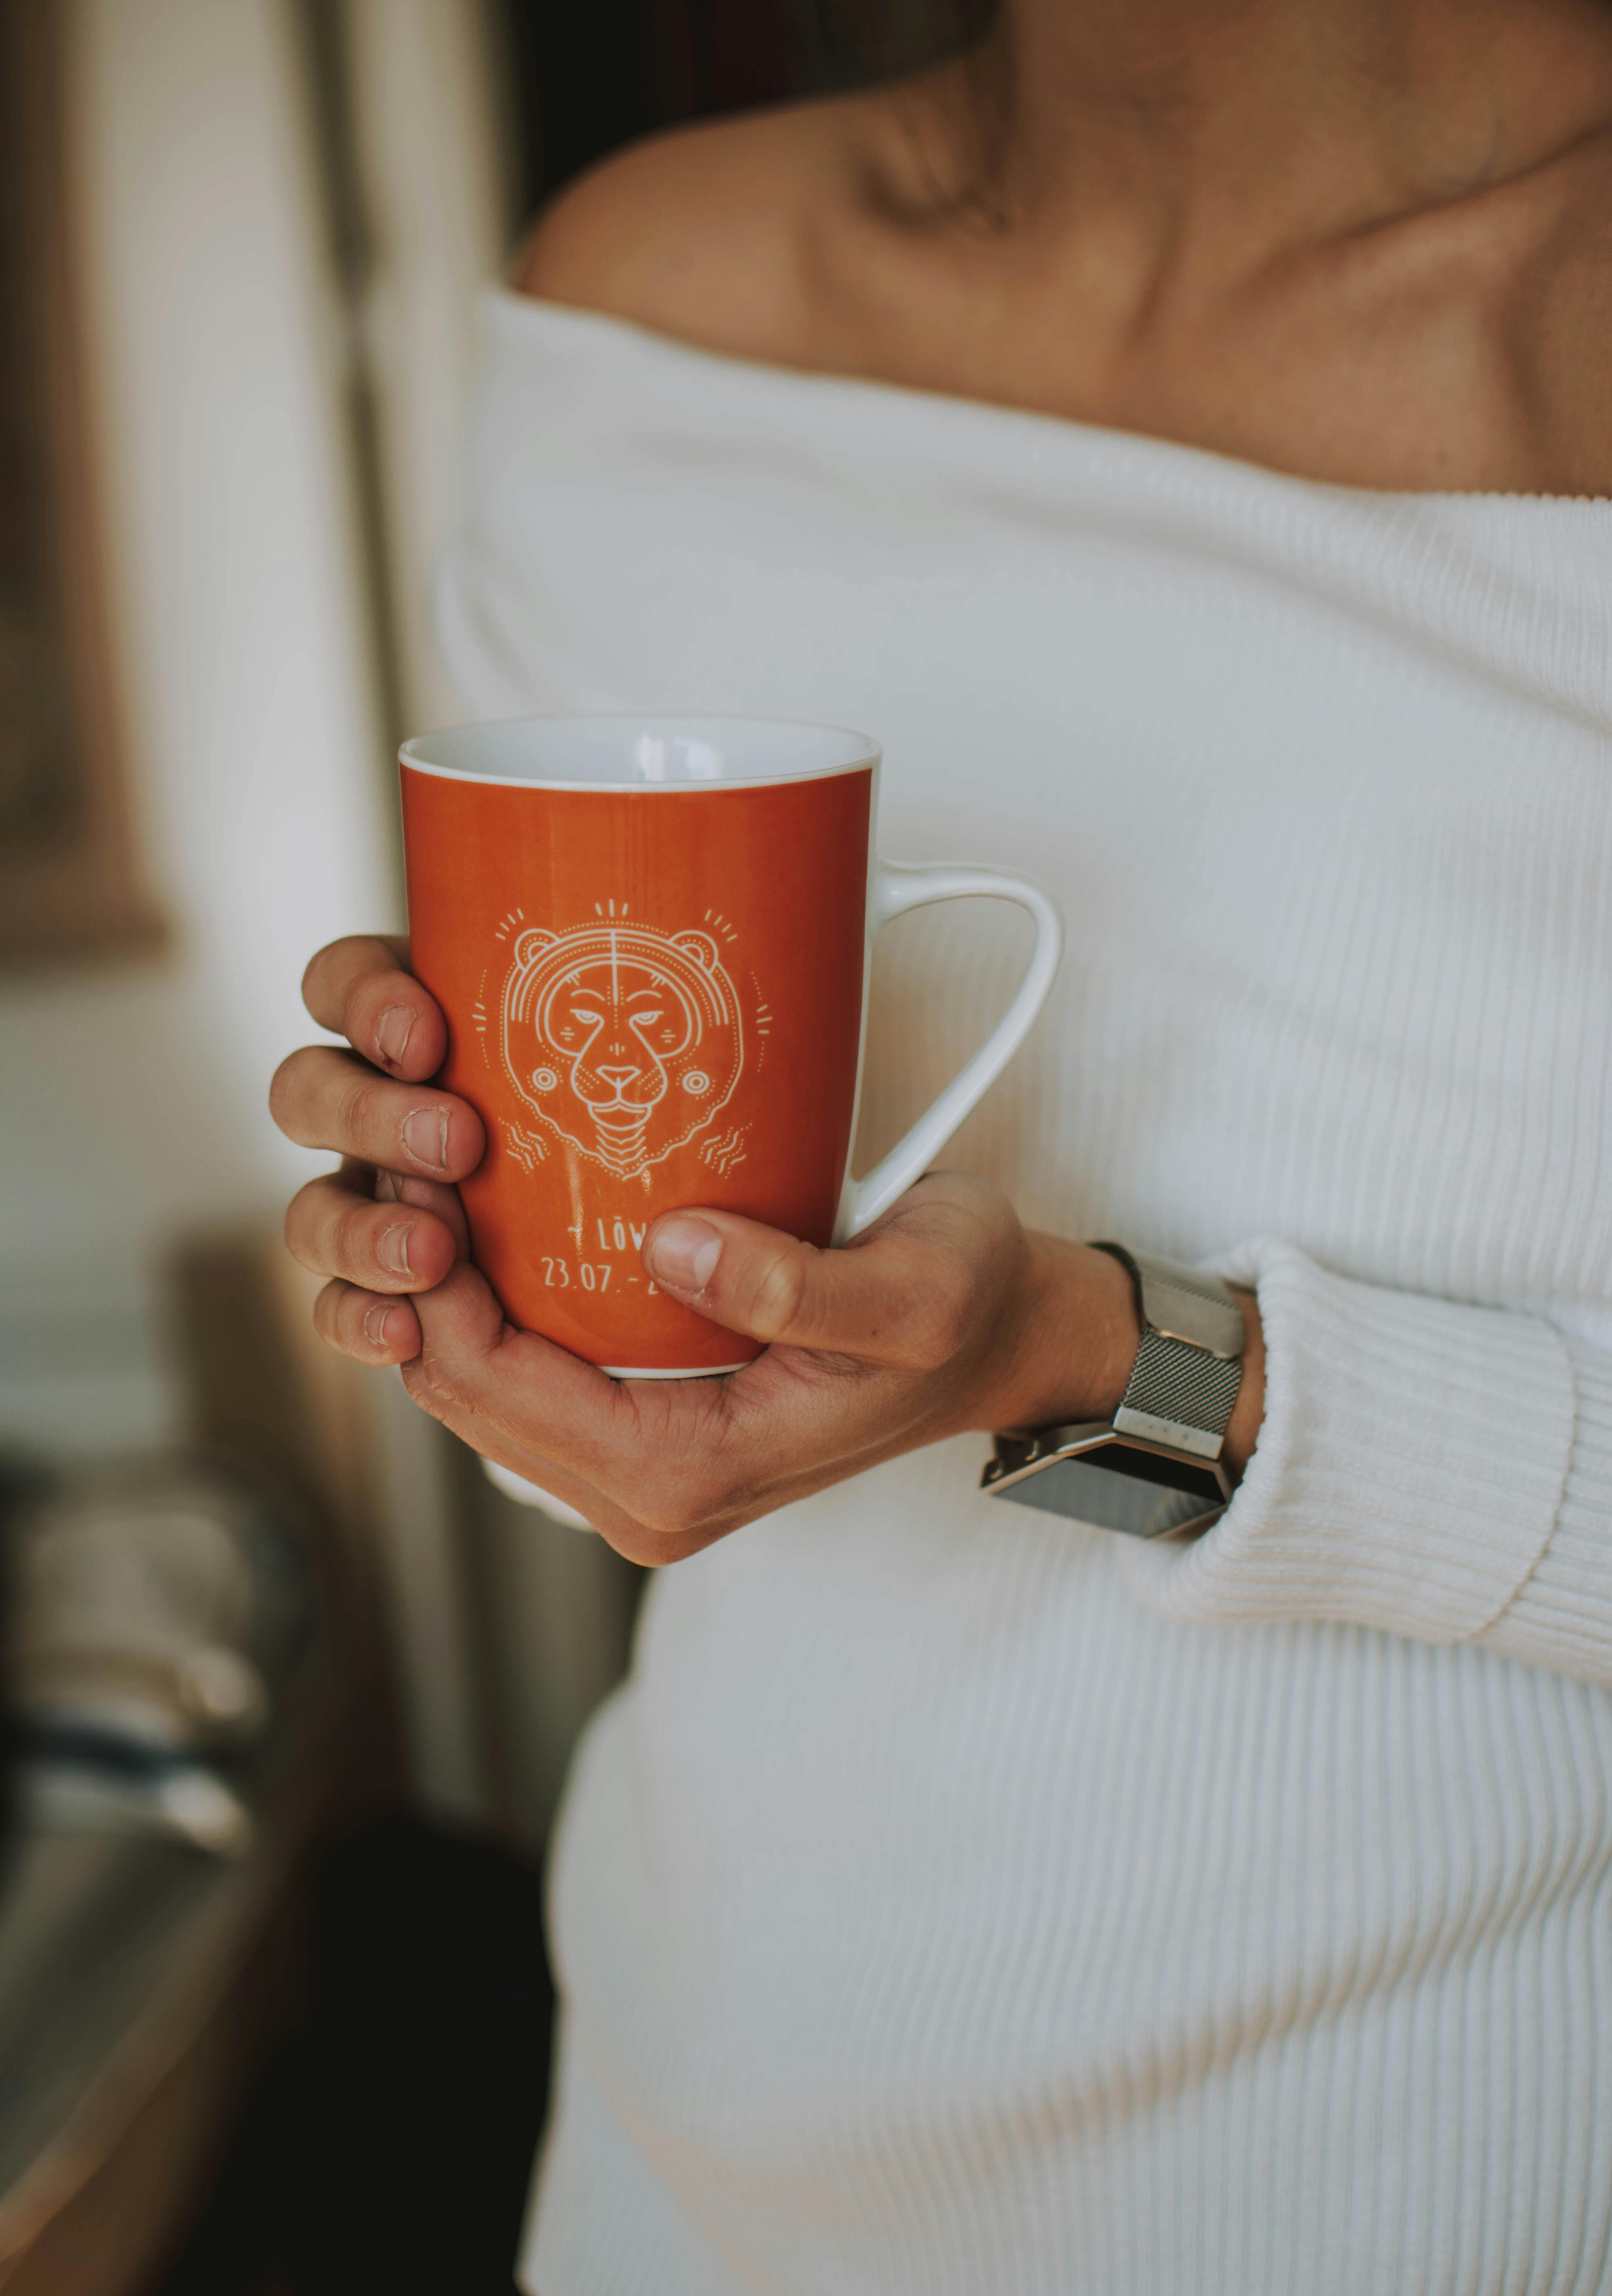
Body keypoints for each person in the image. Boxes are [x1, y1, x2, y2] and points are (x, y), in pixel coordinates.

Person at [269, 0, 1612, 2286]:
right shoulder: (644, 312)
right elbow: (626, 1397)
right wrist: (478, 1273)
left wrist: (1118, 1364)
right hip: (691, 2175)